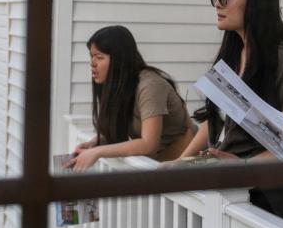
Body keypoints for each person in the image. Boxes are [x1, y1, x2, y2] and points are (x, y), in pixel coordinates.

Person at [177, 0, 283, 223]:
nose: (218, 4)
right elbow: (215, 123)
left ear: (255, 0)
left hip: (261, 208)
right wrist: (178, 164)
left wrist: (243, 168)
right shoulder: (233, 54)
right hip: (219, 199)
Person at [66, 25, 196, 171]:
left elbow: (149, 144)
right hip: (159, 166)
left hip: (188, 164)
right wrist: (94, 143)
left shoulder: (149, 85)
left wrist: (97, 152)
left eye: (99, 57)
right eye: (91, 56)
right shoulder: (120, 87)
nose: (92, 63)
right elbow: (118, 127)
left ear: (119, 60)